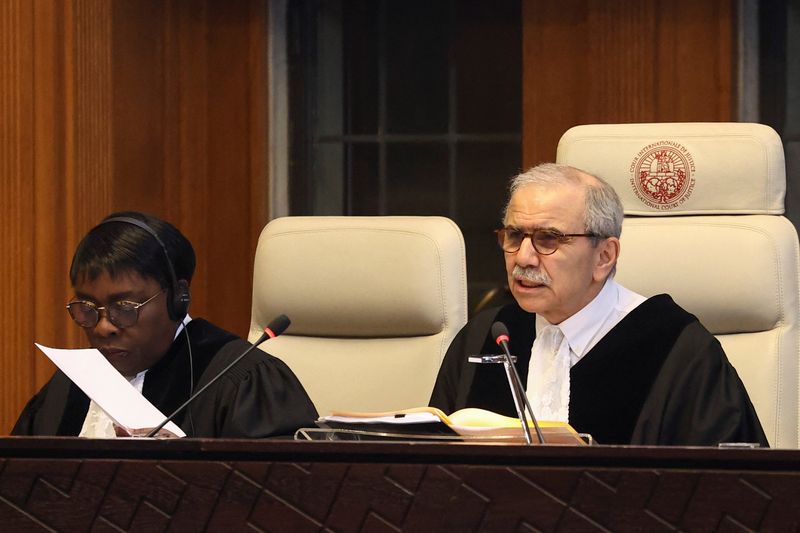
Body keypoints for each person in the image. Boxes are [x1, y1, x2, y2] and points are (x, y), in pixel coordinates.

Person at [429, 163, 768, 446]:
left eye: (549, 239)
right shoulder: (485, 335)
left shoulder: (678, 348)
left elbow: (730, 492)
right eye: (515, 236)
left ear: (604, 256)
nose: (524, 257)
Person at [13, 211, 318, 438]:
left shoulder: (241, 380)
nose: (104, 327)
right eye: (88, 308)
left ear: (178, 298)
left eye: (125, 307)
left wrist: (184, 472)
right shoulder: (70, 387)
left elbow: (287, 501)